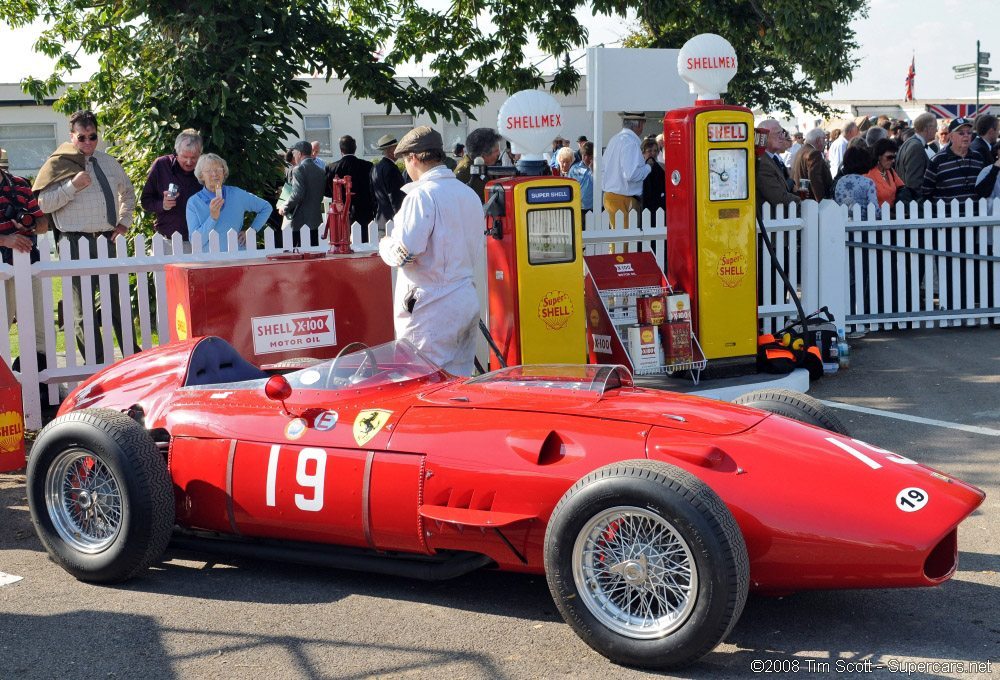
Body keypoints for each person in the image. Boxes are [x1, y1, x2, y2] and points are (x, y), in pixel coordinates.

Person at [377, 126, 482, 376]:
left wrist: (384, 245)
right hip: (465, 297)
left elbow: (405, 253)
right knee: (460, 382)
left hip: (431, 308)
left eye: (406, 161)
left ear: (413, 158)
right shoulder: (468, 194)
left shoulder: (421, 196)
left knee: (422, 382)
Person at [35, 110, 136, 364]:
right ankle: (97, 363)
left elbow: (129, 193)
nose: (88, 142)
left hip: (106, 239)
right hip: (74, 241)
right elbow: (43, 204)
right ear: (72, 136)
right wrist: (71, 186)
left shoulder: (109, 162)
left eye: (92, 137)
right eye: (82, 137)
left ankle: (133, 360)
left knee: (116, 302)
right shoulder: (58, 163)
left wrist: (123, 223)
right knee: (83, 309)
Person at [1, 152, 48, 358]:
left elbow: (43, 224)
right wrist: (4, 239)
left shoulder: (20, 184)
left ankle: (39, 380)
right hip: (2, 266)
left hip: (26, 261)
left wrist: (28, 225)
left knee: (38, 328)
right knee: (2, 328)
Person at [186, 153, 271, 251]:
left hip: (238, 258)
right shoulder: (194, 202)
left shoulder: (236, 194)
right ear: (201, 176)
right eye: (209, 170)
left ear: (224, 172)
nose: (214, 174)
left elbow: (266, 207)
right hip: (210, 261)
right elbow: (195, 242)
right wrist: (212, 218)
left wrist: (252, 230)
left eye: (218, 169)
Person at [139, 128, 203, 250]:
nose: (189, 162)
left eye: (194, 157)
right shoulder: (162, 165)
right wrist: (162, 205)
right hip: (166, 242)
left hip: (199, 243)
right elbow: (145, 201)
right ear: (177, 151)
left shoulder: (206, 167)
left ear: (200, 153)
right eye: (185, 156)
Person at [922, 117, 997, 211]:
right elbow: (926, 192)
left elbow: (984, 187)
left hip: (975, 219)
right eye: (961, 133)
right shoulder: (937, 160)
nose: (966, 136)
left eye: (969, 133)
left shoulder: (978, 158)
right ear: (951, 136)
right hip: (947, 220)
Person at [602, 112, 650, 240]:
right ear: (639, 124)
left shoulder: (615, 139)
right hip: (624, 197)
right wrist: (648, 167)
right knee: (625, 242)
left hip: (612, 195)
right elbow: (632, 175)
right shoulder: (631, 142)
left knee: (617, 240)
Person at [325, 135, 375, 239]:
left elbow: (327, 191)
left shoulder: (332, 167)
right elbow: (372, 189)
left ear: (341, 150)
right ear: (355, 148)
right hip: (364, 210)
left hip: (341, 211)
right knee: (365, 243)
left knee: (342, 241)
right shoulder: (368, 166)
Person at [281, 140, 326, 245]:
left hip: (300, 222)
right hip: (316, 221)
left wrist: (285, 207)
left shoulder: (298, 169)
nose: (294, 156)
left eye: (294, 154)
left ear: (300, 153)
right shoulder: (321, 171)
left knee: (300, 255)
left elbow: (298, 194)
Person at [755, 119, 801, 213]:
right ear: (764, 137)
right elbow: (778, 197)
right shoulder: (762, 162)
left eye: (782, 133)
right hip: (772, 221)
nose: (782, 137)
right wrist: (802, 201)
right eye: (778, 133)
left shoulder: (769, 158)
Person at [454, 127, 502, 203]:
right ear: (483, 155)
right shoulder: (464, 175)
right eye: (496, 151)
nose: (499, 153)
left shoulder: (487, 165)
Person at [896, 113, 937, 198]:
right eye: (935, 127)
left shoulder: (911, 142)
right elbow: (914, 183)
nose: (936, 130)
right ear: (927, 129)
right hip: (915, 204)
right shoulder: (916, 146)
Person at [371, 134, 405, 233]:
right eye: (396, 147)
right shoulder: (391, 169)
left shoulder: (375, 168)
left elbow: (373, 195)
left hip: (380, 219)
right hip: (392, 221)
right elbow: (395, 196)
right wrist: (400, 217)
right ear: (391, 150)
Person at [834, 146, 879, 220]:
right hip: (864, 226)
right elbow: (875, 210)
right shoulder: (868, 183)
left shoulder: (840, 181)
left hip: (843, 224)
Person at [791, 128, 833, 200]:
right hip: (812, 200)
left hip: (803, 197)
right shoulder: (814, 153)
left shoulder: (802, 150)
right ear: (818, 140)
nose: (825, 143)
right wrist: (821, 201)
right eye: (824, 139)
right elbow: (815, 179)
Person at [865, 138, 904, 206]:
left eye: (894, 157)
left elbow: (901, 187)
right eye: (889, 157)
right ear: (879, 157)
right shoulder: (868, 174)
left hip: (893, 214)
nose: (893, 160)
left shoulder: (890, 171)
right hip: (876, 215)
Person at [640, 137, 665, 225]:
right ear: (643, 152)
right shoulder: (640, 168)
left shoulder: (662, 166)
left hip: (660, 203)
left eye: (655, 151)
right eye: (649, 151)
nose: (653, 153)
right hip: (645, 203)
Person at [567, 141, 594, 213]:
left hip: (596, 208)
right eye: (584, 155)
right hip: (579, 208)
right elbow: (569, 186)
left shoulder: (601, 169)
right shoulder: (575, 168)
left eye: (589, 156)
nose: (586, 158)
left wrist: (593, 170)